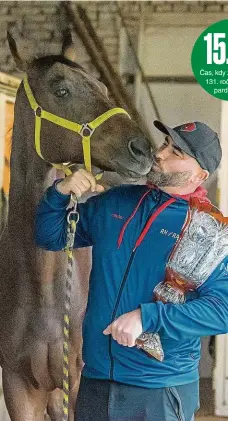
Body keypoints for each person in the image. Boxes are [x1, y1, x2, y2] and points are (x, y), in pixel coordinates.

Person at [35, 120, 227, 421]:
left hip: (159, 390)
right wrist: (60, 192)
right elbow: (51, 236)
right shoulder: (117, 202)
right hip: (96, 380)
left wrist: (146, 317)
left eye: (176, 152)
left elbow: (222, 311)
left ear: (200, 174)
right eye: (165, 144)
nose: (160, 154)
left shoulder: (211, 232)